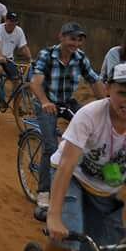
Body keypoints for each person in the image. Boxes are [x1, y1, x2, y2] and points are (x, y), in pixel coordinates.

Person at [45, 62, 126, 251]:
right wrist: (54, 216)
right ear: (107, 89)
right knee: (66, 235)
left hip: (104, 190)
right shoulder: (90, 115)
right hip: (72, 177)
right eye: (122, 93)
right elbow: (67, 165)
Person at [31, 22, 106, 220]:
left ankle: (86, 185)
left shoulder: (81, 58)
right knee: (50, 146)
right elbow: (35, 82)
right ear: (61, 37)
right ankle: (44, 194)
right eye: (72, 38)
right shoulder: (47, 55)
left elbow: (94, 81)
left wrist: (108, 104)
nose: (76, 43)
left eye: (79, 39)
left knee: (90, 135)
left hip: (67, 101)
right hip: (46, 101)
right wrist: (45, 101)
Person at [0, 12, 32, 89]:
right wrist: (0, 56)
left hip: (8, 58)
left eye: (14, 21)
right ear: (6, 20)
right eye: (10, 21)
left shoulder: (19, 31)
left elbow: (24, 47)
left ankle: (15, 99)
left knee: (17, 79)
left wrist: (30, 59)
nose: (12, 23)